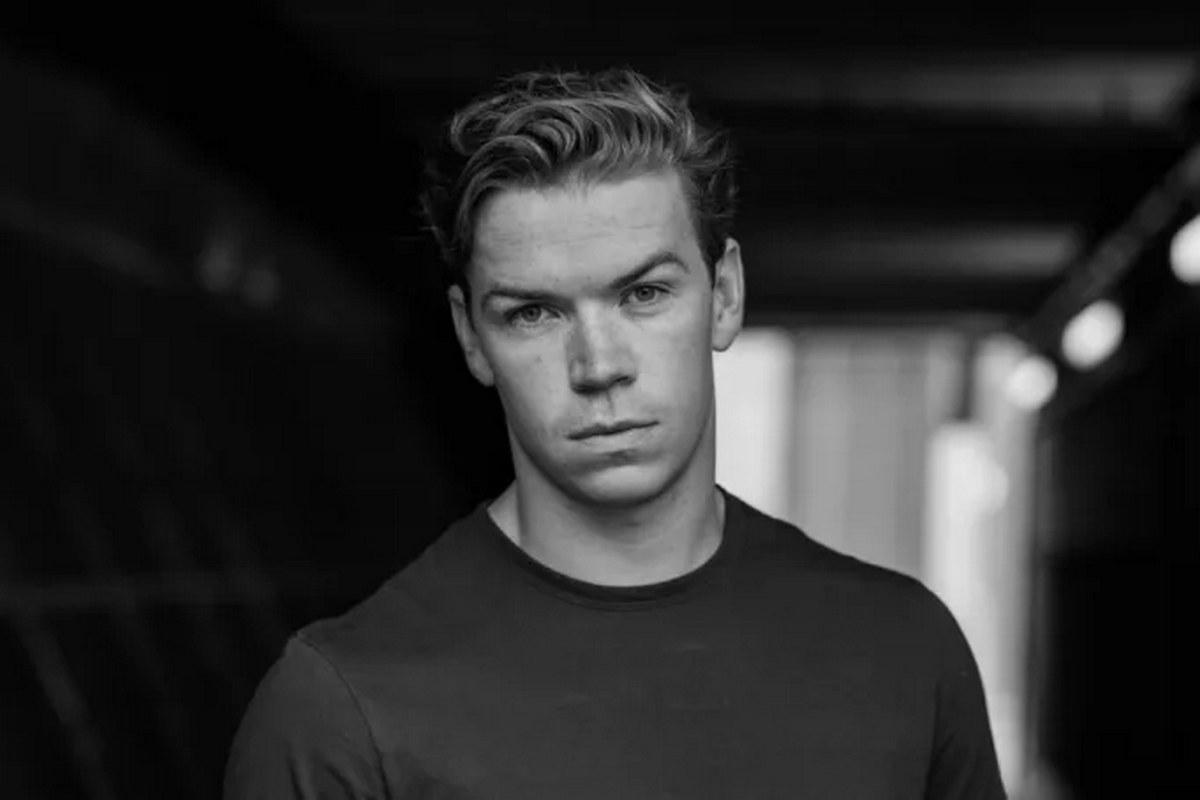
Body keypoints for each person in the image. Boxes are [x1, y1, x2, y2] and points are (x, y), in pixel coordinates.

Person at [224, 67, 1007, 799]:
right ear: (470, 337)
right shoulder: (339, 707)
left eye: (643, 294)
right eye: (535, 313)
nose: (598, 366)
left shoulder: (904, 651)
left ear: (725, 295)